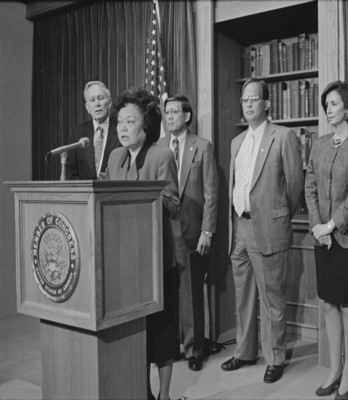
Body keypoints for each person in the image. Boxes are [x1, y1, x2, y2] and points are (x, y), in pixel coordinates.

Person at [221, 77, 304, 384]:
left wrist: (278, 217)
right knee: (242, 297)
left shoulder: (283, 136)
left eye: (255, 99)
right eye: (245, 100)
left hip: (268, 229)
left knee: (272, 299)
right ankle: (244, 352)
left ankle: (275, 357)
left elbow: (295, 186)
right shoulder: (236, 142)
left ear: (267, 103)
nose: (249, 104)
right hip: (238, 228)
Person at [102, 88, 180, 400]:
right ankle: (141, 391)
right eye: (118, 122)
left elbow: (175, 204)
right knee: (134, 333)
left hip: (156, 259)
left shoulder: (162, 155)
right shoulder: (115, 157)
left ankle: (164, 395)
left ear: (146, 125)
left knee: (161, 333)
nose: (121, 128)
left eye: (129, 121)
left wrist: (149, 192)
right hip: (123, 261)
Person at [305, 81, 348, 400]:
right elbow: (310, 187)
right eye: (326, 105)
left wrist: (333, 225)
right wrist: (319, 227)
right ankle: (334, 370)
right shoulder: (318, 144)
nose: (328, 110)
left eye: (333, 104)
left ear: (347, 107)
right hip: (323, 238)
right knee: (329, 304)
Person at [157, 94, 219, 372]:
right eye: (166, 112)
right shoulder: (158, 146)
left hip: (193, 231)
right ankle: (174, 345)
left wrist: (208, 230)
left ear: (187, 116)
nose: (170, 117)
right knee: (168, 293)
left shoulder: (202, 147)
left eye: (174, 112)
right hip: (163, 233)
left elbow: (211, 193)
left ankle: (195, 349)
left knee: (191, 291)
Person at [66, 80, 121, 179]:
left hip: (112, 192)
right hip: (84, 193)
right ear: (87, 107)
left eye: (101, 98)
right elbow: (71, 172)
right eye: (92, 100)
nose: (97, 104)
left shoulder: (120, 128)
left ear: (109, 103)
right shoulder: (77, 133)